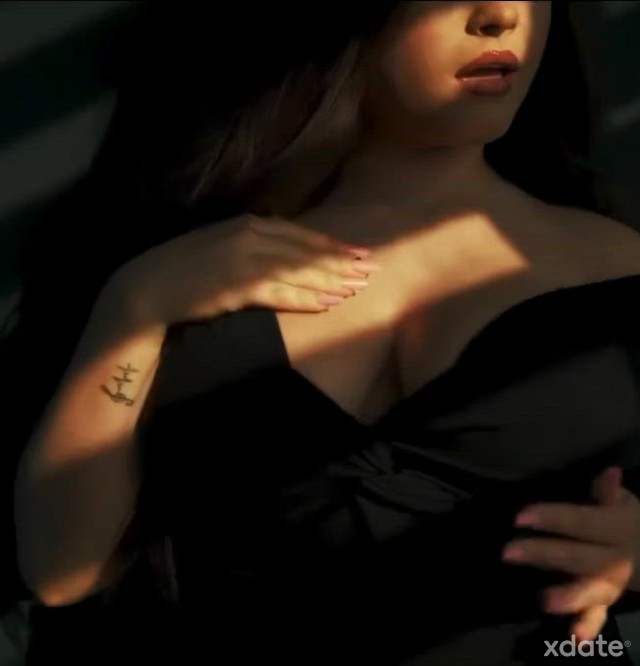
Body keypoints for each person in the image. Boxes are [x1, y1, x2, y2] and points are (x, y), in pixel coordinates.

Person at [5, 1, 640, 663]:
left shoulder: (617, 264)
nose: (500, 16)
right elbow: (61, 572)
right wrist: (135, 309)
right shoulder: (162, 255)